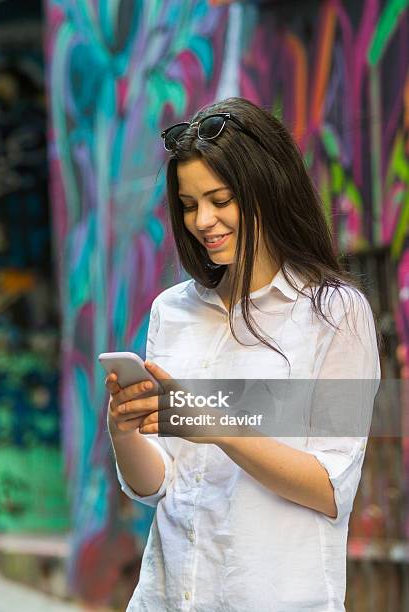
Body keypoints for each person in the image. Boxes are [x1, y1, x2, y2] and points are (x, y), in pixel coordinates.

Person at [106, 97, 380, 611]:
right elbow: (157, 486)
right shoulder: (173, 310)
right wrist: (124, 428)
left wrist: (215, 423)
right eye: (189, 205)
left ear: (266, 189)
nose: (202, 220)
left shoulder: (335, 313)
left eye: (220, 199)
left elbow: (329, 486)